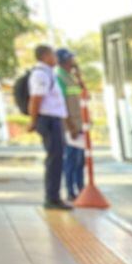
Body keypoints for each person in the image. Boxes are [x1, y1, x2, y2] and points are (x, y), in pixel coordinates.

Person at [26, 45, 70, 212]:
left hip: (53, 119)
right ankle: (52, 198)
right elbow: (36, 99)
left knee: (57, 159)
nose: (56, 58)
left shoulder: (48, 73)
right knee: (54, 159)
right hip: (48, 120)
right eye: (53, 55)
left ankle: (54, 196)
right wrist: (33, 121)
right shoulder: (41, 74)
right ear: (45, 56)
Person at [57, 49, 87, 201]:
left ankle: (81, 188)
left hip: (79, 123)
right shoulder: (59, 78)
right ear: (63, 60)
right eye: (70, 58)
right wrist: (70, 127)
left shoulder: (71, 77)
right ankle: (70, 190)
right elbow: (61, 105)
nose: (73, 61)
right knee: (71, 159)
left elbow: (85, 94)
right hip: (70, 126)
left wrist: (79, 76)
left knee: (80, 160)